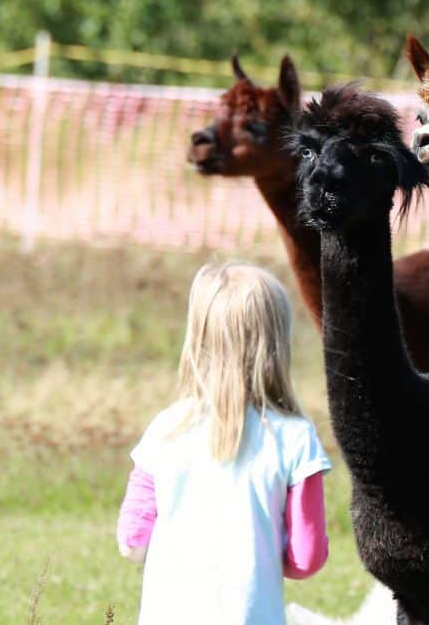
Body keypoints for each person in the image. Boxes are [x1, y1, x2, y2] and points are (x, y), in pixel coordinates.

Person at [116, 261, 331, 625]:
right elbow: (306, 558)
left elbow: (131, 541)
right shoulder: (296, 438)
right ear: (276, 343)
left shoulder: (165, 429)